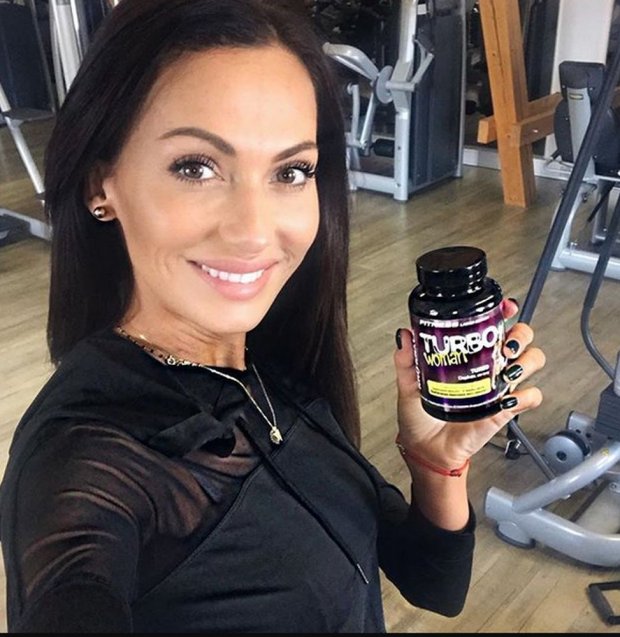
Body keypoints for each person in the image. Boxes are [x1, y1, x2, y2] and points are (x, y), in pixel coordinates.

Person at [0, 0, 546, 632]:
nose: (255, 233)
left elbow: (434, 584)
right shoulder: (87, 462)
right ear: (102, 186)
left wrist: (435, 462)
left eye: (291, 171)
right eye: (197, 167)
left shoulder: (269, 371)